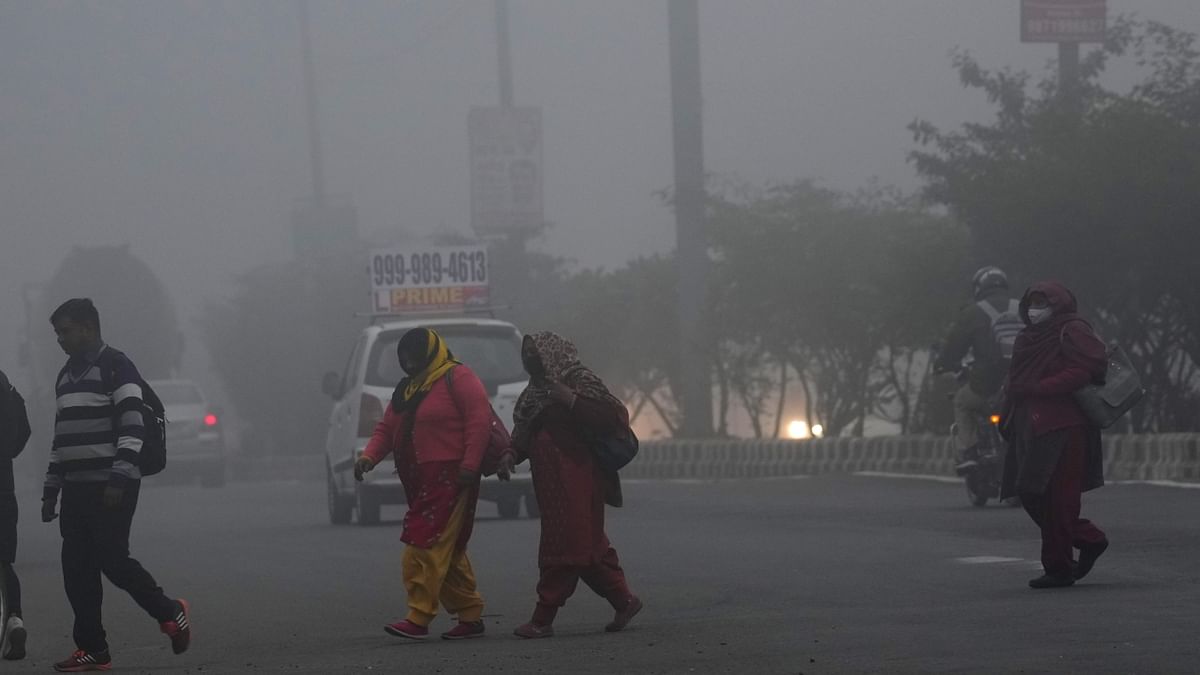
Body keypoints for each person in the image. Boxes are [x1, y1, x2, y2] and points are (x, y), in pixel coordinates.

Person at [41, 298, 190, 672]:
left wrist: (119, 475)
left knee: (113, 560)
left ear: (89, 328)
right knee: (76, 569)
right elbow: (62, 437)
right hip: (75, 489)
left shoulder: (117, 367)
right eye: (57, 333)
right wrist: (51, 487)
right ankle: (93, 648)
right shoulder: (64, 376)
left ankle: (170, 611)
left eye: (66, 331)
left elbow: (133, 425)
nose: (60, 339)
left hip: (111, 485)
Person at [354, 327, 491, 641]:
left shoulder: (459, 378)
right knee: (447, 549)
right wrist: (369, 457)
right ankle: (469, 615)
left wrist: (470, 465)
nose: (408, 362)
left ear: (430, 352)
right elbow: (387, 429)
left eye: (413, 355)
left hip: (452, 477)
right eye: (403, 358)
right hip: (419, 479)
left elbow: (479, 422)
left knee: (423, 543)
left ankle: (418, 616)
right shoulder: (408, 389)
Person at [506, 331, 642, 639]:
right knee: (588, 546)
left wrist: (569, 399)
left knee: (567, 546)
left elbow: (611, 417)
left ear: (551, 353)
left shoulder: (578, 379)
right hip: (549, 484)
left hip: (579, 478)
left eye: (535, 353)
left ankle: (542, 617)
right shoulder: (534, 392)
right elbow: (524, 433)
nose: (530, 359)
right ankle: (624, 600)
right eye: (526, 354)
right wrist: (510, 455)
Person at [999, 282, 1109, 589]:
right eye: (1031, 303)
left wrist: (1039, 388)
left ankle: (1059, 568)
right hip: (1030, 426)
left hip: (1065, 426)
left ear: (1057, 305)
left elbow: (1084, 371)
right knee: (1030, 492)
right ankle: (1089, 539)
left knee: (1060, 499)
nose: (1034, 310)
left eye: (1041, 303)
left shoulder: (1072, 330)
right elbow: (1015, 380)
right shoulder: (1027, 337)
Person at [934, 266, 1021, 468]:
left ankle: (971, 453)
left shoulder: (973, 312)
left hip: (987, 383)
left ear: (979, 288)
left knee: (962, 402)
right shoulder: (1024, 308)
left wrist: (941, 365)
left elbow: (954, 347)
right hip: (1027, 380)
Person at [0, 368, 32, 661]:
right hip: (4, 490)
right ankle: (14, 619)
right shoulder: (7, 388)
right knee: (4, 561)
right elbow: (24, 430)